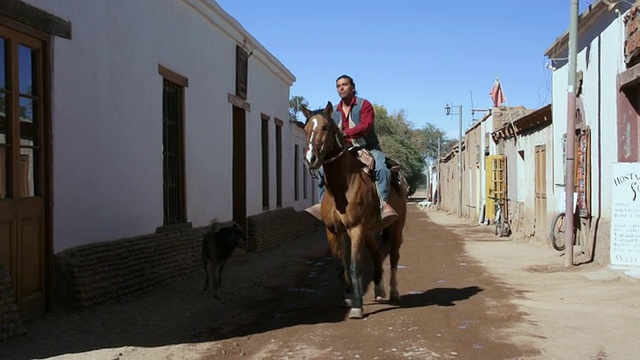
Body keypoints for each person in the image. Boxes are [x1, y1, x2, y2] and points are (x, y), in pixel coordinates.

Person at [305, 75, 398, 226]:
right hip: (345, 149)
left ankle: (383, 205)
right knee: (323, 171)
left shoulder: (364, 105)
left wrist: (345, 133)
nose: (341, 88)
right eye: (338, 86)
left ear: (352, 87)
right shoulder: (334, 111)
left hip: (367, 147)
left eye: (344, 85)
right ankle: (321, 204)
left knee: (382, 169)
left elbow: (366, 126)